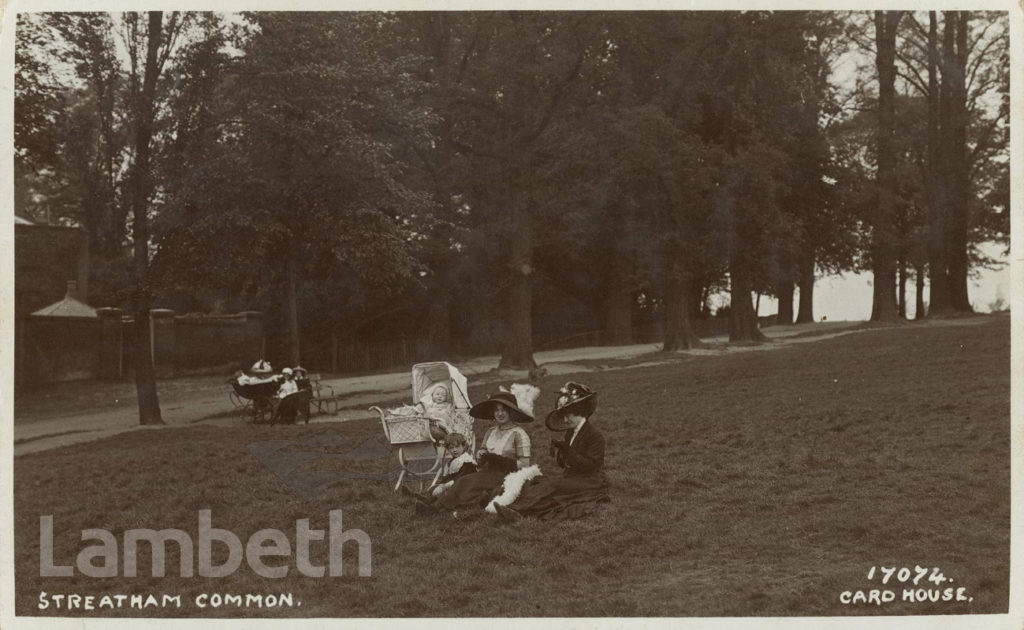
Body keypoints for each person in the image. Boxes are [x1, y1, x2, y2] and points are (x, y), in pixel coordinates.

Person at [405, 385, 539, 516]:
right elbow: (481, 455)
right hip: (487, 471)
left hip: (506, 475)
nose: (500, 413)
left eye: (504, 410)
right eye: (496, 410)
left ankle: (434, 508)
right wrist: (480, 456)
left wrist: (497, 459)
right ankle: (431, 501)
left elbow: (524, 464)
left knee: (467, 481)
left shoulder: (519, 434)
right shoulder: (491, 431)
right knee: (463, 479)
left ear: (511, 412)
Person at [494, 381, 610, 521]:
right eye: (564, 417)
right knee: (541, 482)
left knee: (553, 487)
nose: (565, 420)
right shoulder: (571, 432)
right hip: (573, 477)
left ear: (580, 413)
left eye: (568, 416)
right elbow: (566, 464)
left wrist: (568, 451)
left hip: (591, 481)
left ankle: (518, 511)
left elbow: (591, 465)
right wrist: (560, 452)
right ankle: (513, 507)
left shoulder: (594, 435)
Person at [428, 433, 477, 497]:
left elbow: (460, 478)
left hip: (465, 486)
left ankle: (434, 504)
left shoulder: (467, 461)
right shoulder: (453, 460)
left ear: (463, 446)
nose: (455, 450)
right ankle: (426, 501)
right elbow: (449, 477)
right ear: (448, 449)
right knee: (433, 489)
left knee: (443, 493)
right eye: (451, 448)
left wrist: (445, 486)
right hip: (455, 484)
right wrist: (441, 484)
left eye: (457, 447)